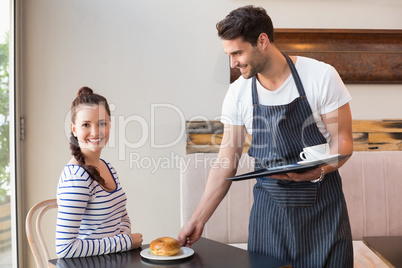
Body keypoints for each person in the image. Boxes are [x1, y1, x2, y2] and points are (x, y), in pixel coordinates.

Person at [178, 5, 353, 267]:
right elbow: (226, 160)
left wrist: (316, 171)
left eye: (237, 52)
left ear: (262, 41)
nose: (232, 63)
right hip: (269, 218)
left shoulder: (321, 77)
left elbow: (344, 142)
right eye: (228, 54)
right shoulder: (238, 94)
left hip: (323, 214)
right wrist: (197, 219)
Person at [56, 87, 143, 258]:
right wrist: (125, 242)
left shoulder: (108, 167)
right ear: (74, 129)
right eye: (86, 125)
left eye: (102, 123)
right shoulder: (77, 177)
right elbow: (65, 249)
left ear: (110, 125)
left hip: (112, 260)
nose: (96, 132)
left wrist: (122, 240)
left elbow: (123, 218)